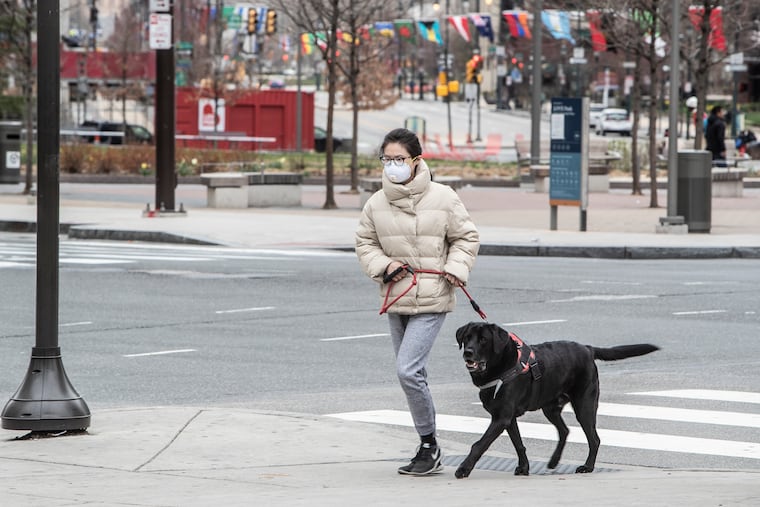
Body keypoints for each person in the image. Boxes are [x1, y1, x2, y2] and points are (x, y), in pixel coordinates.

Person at [355, 128, 480, 476]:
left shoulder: (444, 197)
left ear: (416, 160)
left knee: (407, 370)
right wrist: (385, 266)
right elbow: (365, 243)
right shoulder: (376, 202)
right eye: (387, 159)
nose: (393, 165)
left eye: (399, 159)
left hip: (432, 296)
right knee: (414, 373)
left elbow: (466, 237)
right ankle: (429, 447)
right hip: (396, 296)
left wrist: (456, 268)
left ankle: (428, 445)